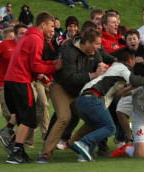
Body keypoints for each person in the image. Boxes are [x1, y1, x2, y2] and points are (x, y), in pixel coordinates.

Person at [73, 47, 144, 162]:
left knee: (97, 127)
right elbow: (134, 80)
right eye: (134, 60)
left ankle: (84, 153)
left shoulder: (114, 68)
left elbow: (117, 93)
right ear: (130, 59)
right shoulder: (122, 68)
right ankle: (84, 143)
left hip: (83, 99)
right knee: (110, 128)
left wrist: (130, 87)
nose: (134, 64)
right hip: (93, 98)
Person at [35, 28, 108, 163]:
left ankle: (74, 143)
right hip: (60, 87)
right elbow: (69, 78)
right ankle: (44, 155)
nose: (99, 47)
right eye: (97, 44)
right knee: (64, 117)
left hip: (79, 92)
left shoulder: (95, 53)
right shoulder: (70, 52)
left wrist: (103, 69)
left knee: (95, 119)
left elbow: (100, 68)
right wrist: (93, 75)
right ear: (86, 42)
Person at [4, 11, 62, 164]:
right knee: (28, 118)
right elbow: (35, 65)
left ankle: (17, 148)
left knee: (24, 116)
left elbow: (32, 62)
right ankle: (16, 151)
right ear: (42, 24)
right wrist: (54, 68)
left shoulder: (28, 36)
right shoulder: (36, 38)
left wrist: (50, 64)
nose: (52, 29)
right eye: (50, 26)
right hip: (20, 80)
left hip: (12, 80)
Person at [0, 24, 28, 152]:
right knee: (9, 113)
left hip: (23, 83)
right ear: (15, 34)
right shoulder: (5, 44)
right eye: (21, 33)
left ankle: (14, 141)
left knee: (28, 113)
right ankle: (11, 136)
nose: (24, 36)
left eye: (26, 33)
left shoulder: (27, 46)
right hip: (4, 84)